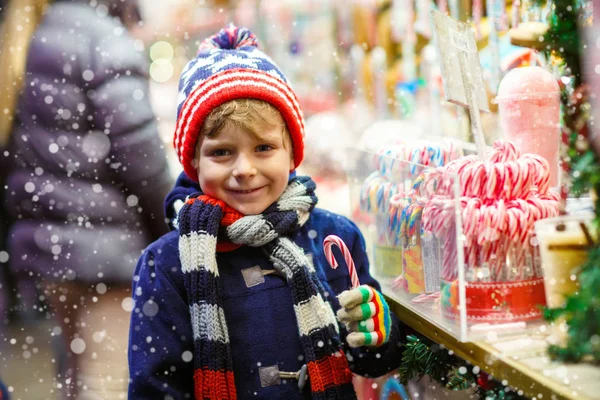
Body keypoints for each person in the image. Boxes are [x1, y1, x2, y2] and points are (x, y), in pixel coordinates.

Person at [128, 25, 405, 399]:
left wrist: (377, 336)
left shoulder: (333, 239)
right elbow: (155, 388)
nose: (244, 169)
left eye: (263, 148)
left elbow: (370, 363)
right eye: (221, 152)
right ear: (194, 161)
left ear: (292, 152)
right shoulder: (167, 264)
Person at [0, 0, 173, 398]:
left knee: (76, 375)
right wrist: (168, 229)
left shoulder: (29, 34)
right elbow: (141, 158)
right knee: (107, 383)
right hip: (107, 253)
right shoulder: (102, 38)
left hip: (51, 251)